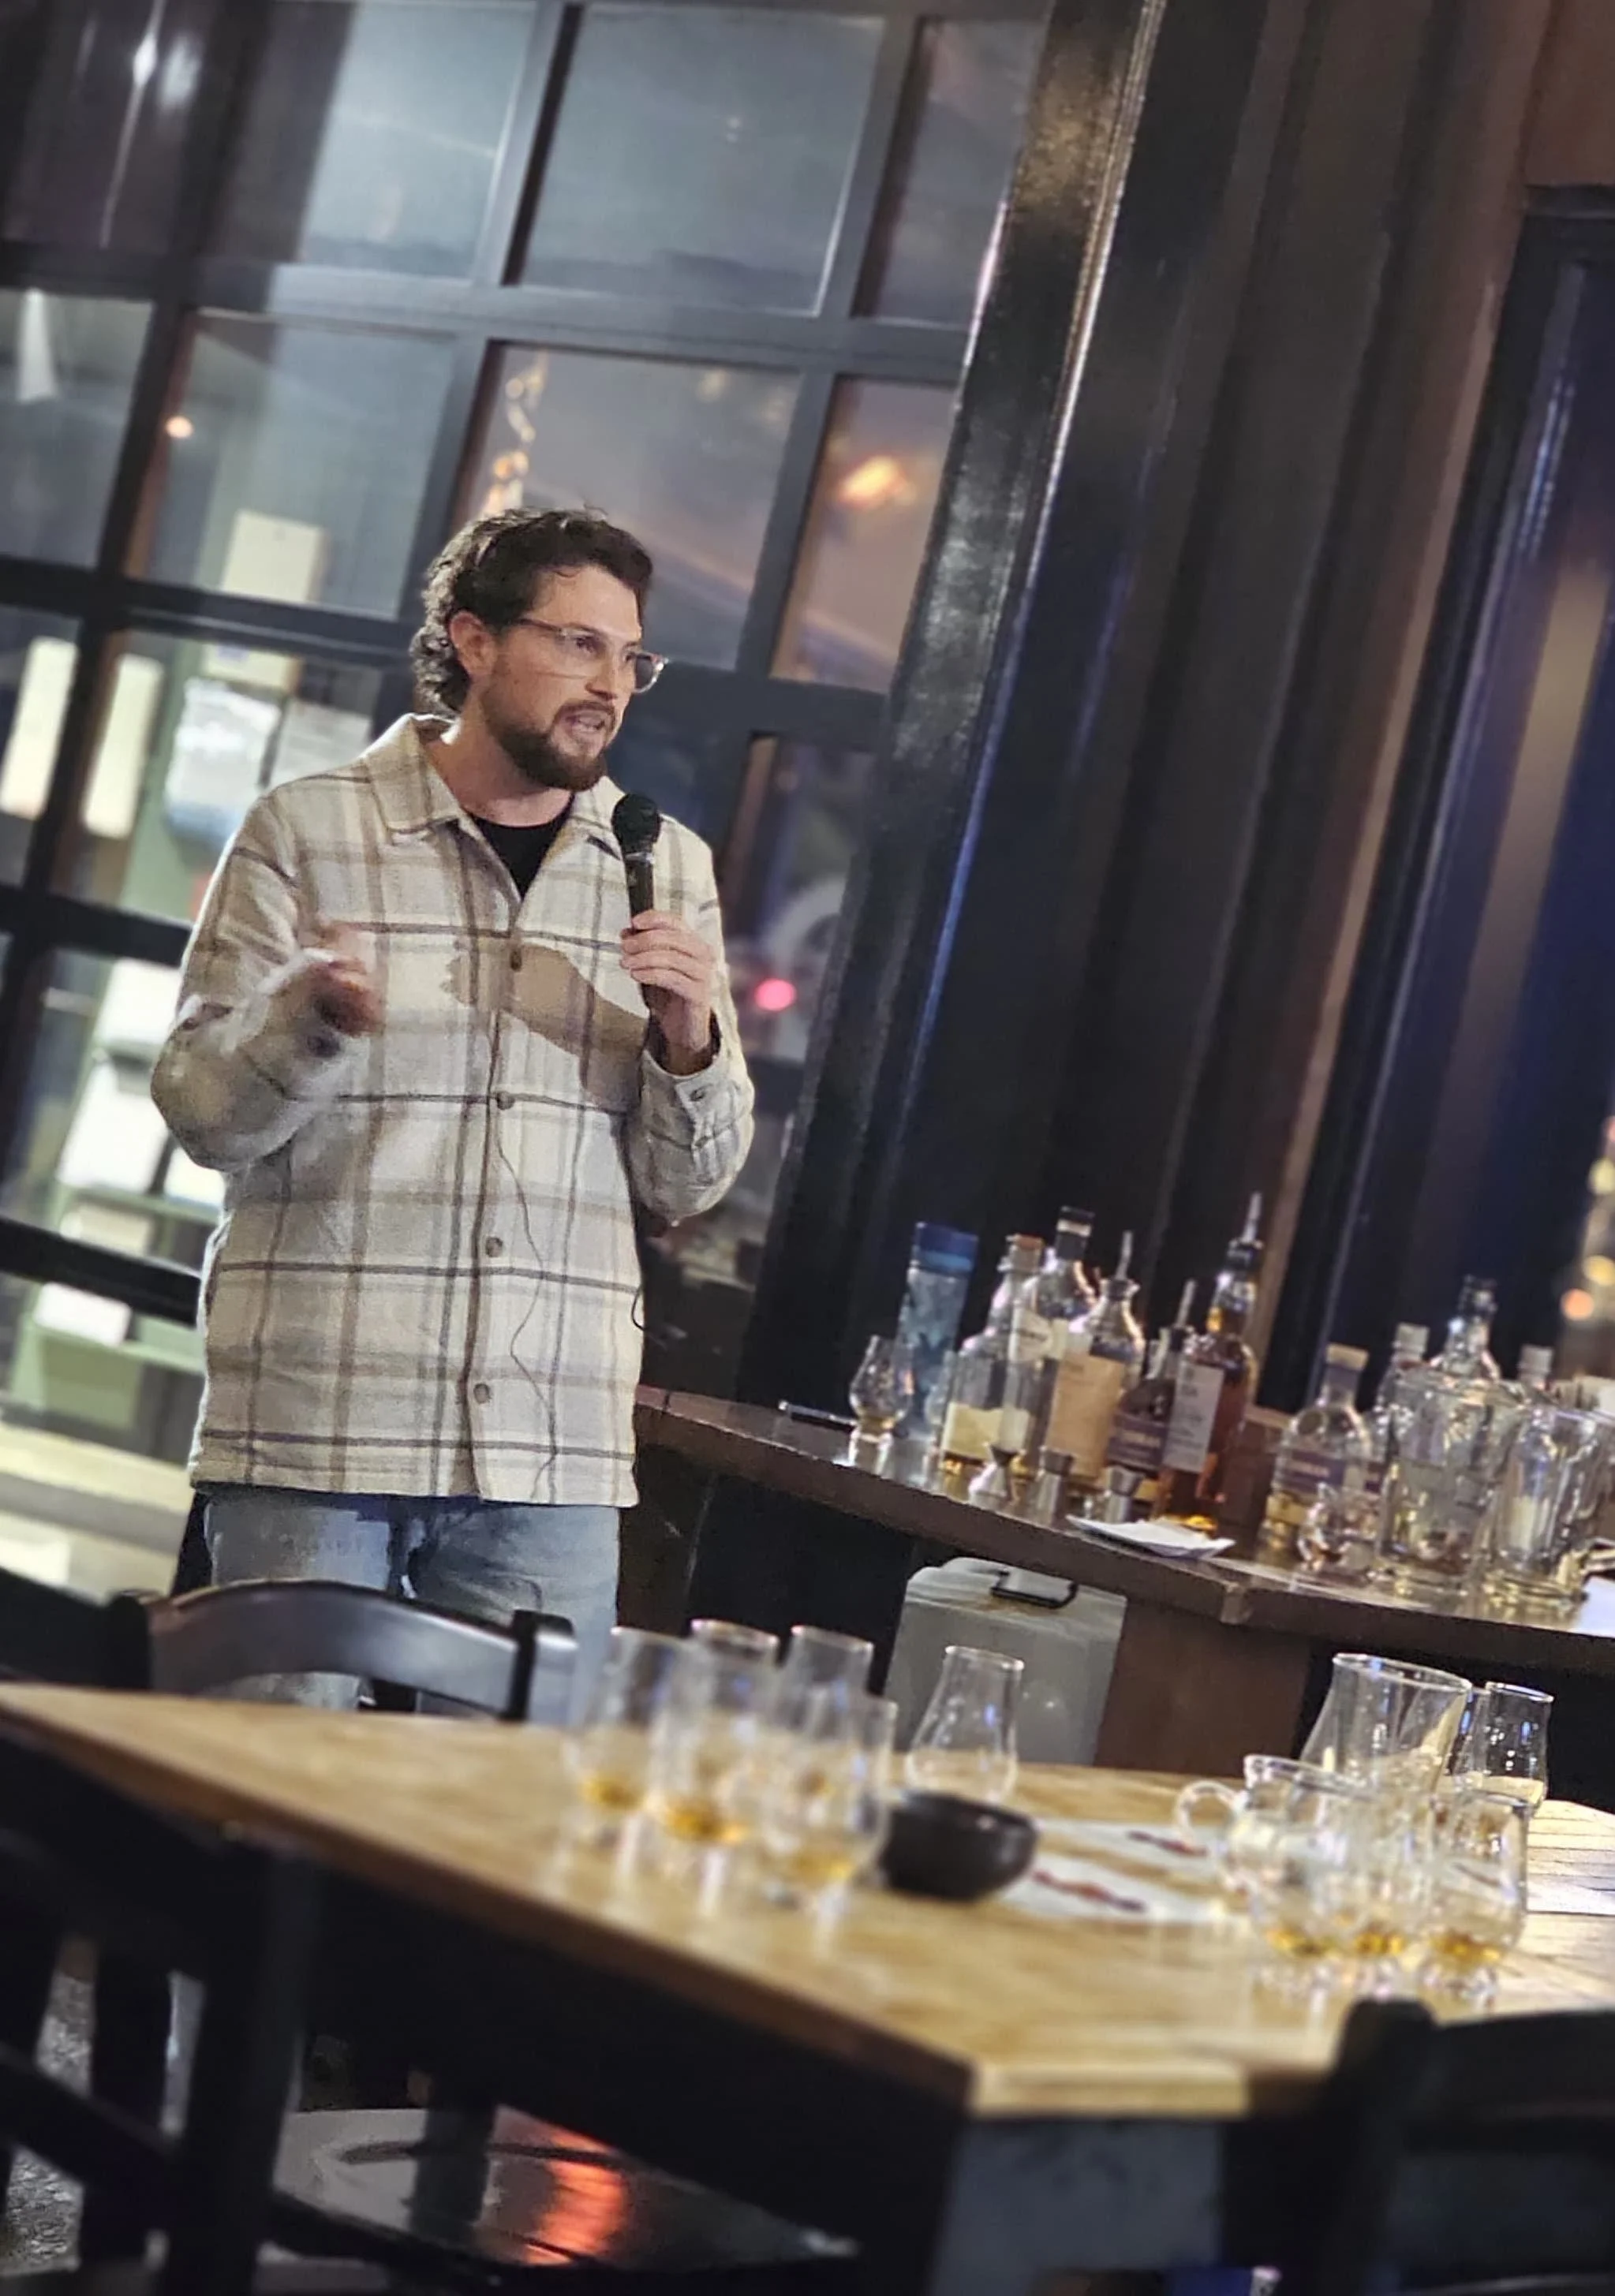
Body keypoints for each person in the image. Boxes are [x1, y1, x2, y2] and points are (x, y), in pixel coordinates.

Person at [151, 508, 754, 1698]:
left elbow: (687, 1184)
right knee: (270, 1806)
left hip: (550, 1451)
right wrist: (308, 1016)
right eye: (578, 645)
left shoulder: (665, 864)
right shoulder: (309, 829)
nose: (610, 686)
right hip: (324, 1422)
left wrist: (688, 1040)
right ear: (472, 641)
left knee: (499, 1841)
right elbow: (202, 1114)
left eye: (630, 657)